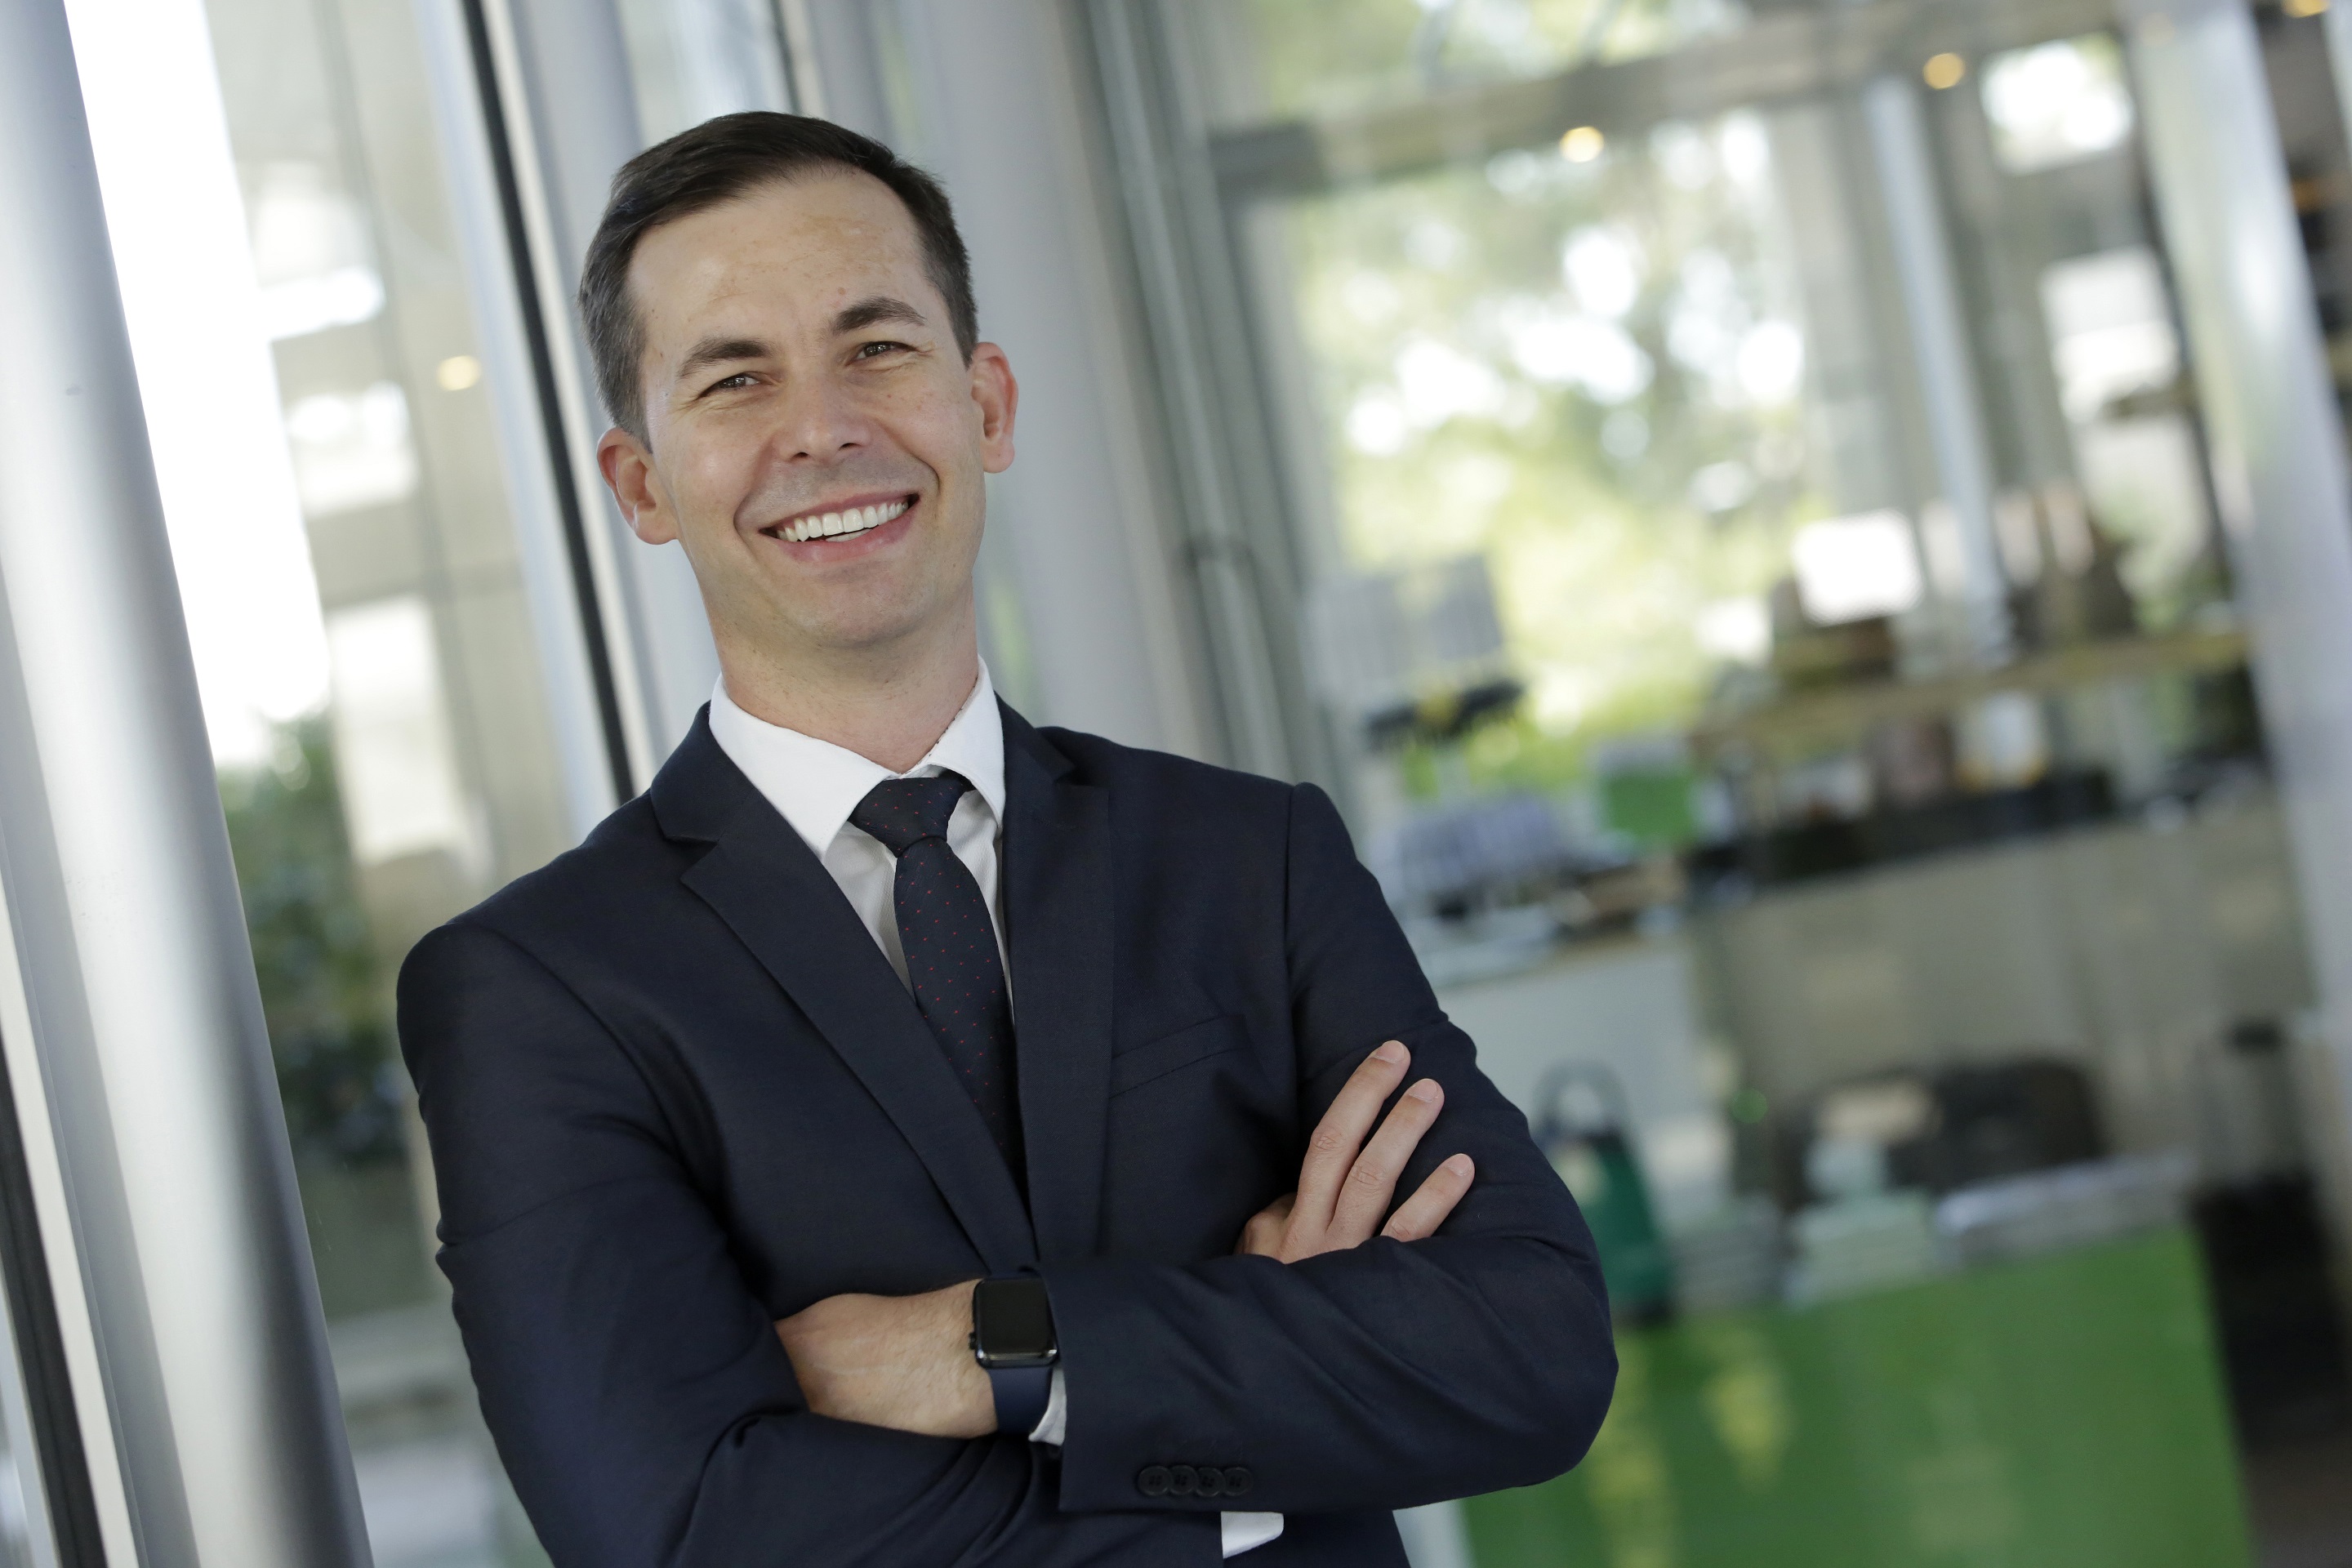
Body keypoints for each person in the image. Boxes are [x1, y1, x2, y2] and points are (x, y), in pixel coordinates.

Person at [396, 111, 1614, 1567]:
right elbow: (684, 1532)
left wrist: (995, 1350)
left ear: (987, 405)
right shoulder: (537, 991)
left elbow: (1534, 1349)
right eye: (735, 378)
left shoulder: (1253, 861)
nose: (822, 429)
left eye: (876, 346)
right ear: (642, 484)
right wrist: (1249, 1445)